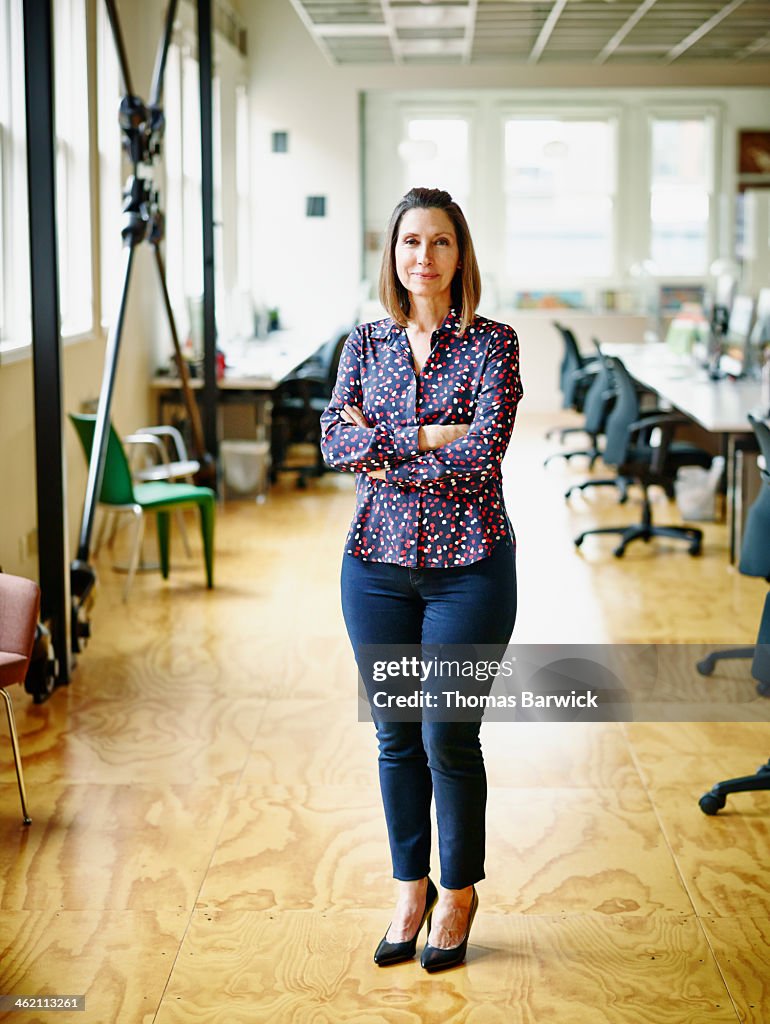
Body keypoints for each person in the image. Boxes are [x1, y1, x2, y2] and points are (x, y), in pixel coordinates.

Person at [320, 187, 522, 972]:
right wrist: (430, 434)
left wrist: (386, 445)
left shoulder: (495, 345)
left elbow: (481, 459)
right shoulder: (364, 344)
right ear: (393, 254)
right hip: (374, 568)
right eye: (411, 242)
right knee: (397, 737)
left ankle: (460, 892)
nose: (424, 258)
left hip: (469, 569)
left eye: (440, 243)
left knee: (448, 735)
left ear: (460, 255)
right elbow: (337, 443)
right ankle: (412, 887)